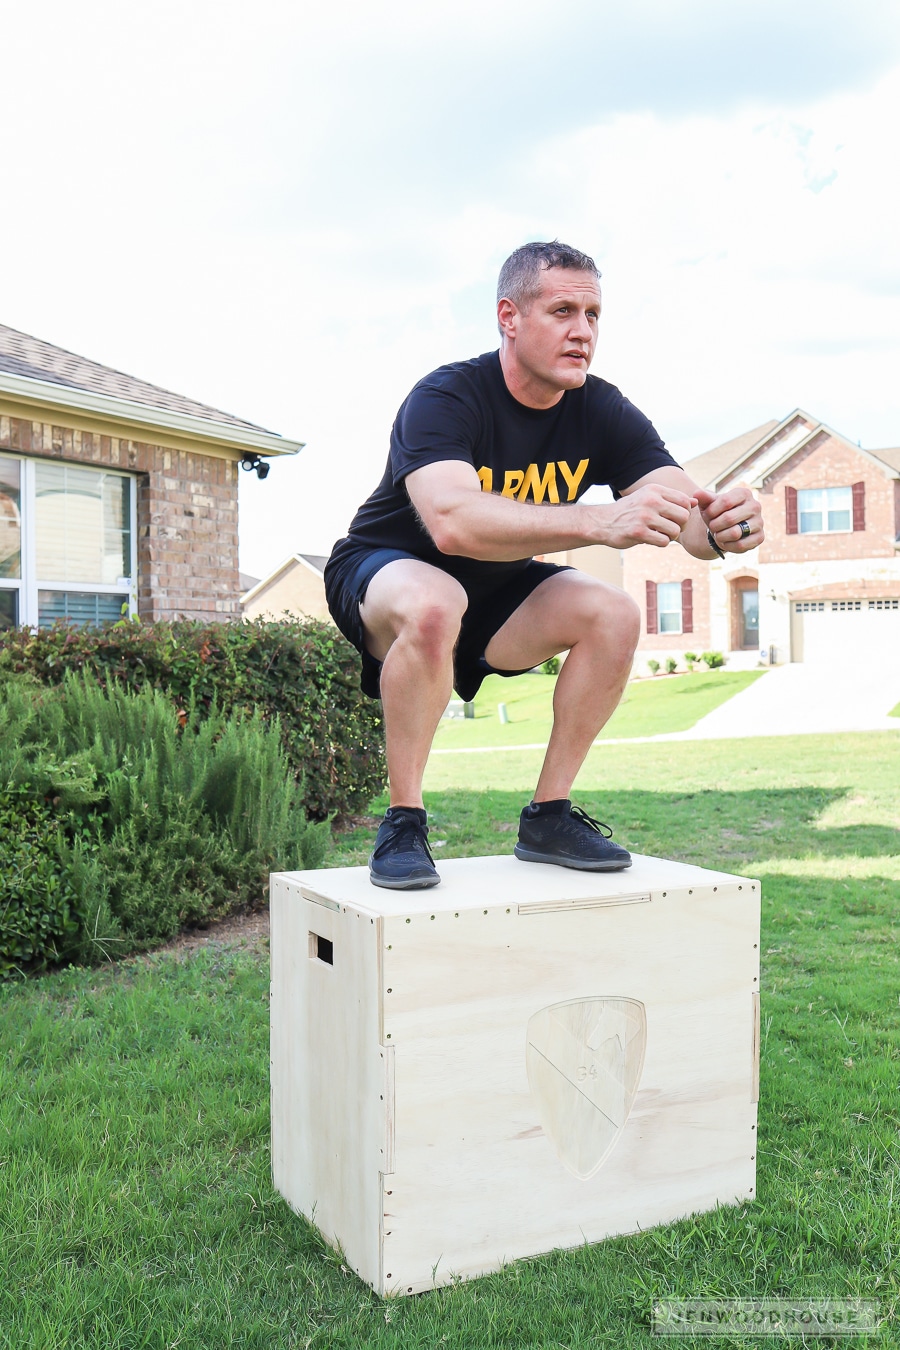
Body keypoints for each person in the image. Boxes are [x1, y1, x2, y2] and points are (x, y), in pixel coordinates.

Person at [325, 241, 764, 890]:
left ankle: (549, 816)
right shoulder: (448, 396)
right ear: (509, 316)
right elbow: (451, 524)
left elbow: (685, 514)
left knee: (613, 613)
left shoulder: (601, 407)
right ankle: (403, 821)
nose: (582, 332)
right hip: (389, 571)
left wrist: (727, 525)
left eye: (593, 315)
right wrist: (595, 521)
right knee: (436, 599)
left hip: (500, 590)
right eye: (562, 310)